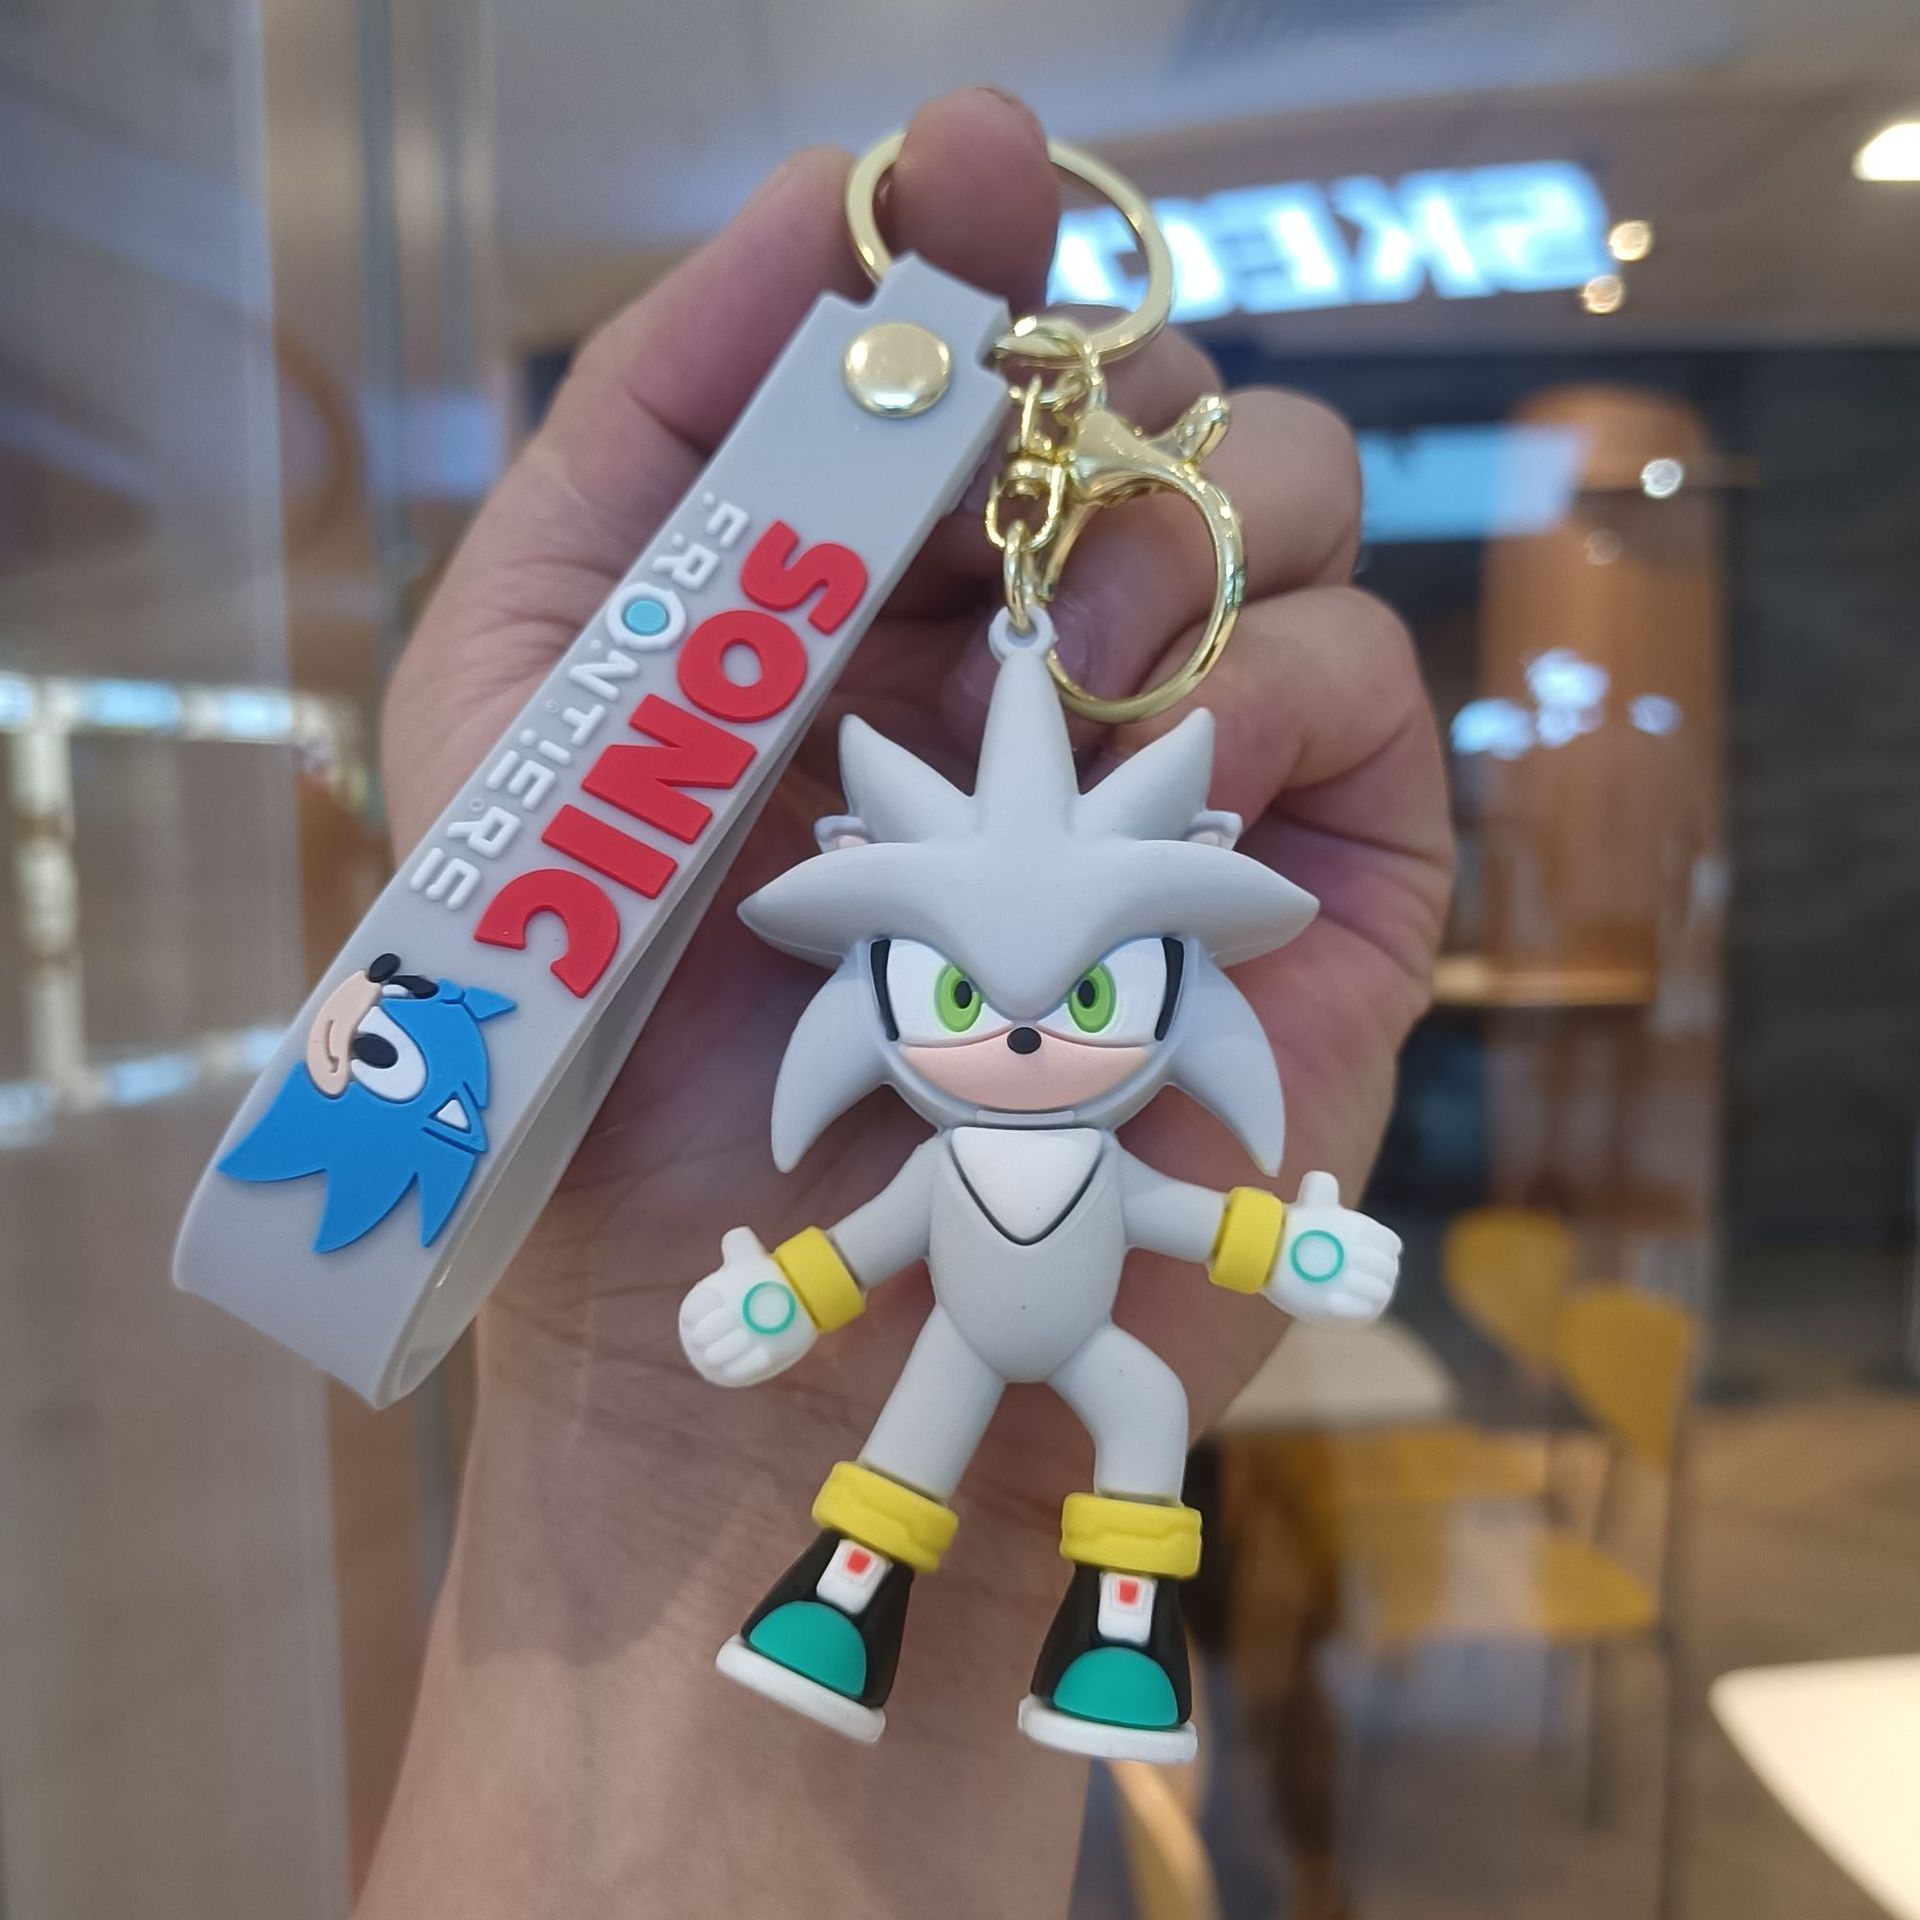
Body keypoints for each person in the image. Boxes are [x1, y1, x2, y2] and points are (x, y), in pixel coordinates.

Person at [359, 85, 1451, 1920]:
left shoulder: (1084, 1145)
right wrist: (762, 1310)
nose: (1021, 1036)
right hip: (937, 1340)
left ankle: (1111, 1639)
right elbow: (863, 1247)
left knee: (1131, 1422)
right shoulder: (940, 1153)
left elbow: (1189, 1221)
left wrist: (1297, 1246)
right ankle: (840, 1610)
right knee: (913, 1438)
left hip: (1076, 1339)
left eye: (1079, 994)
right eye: (964, 992)